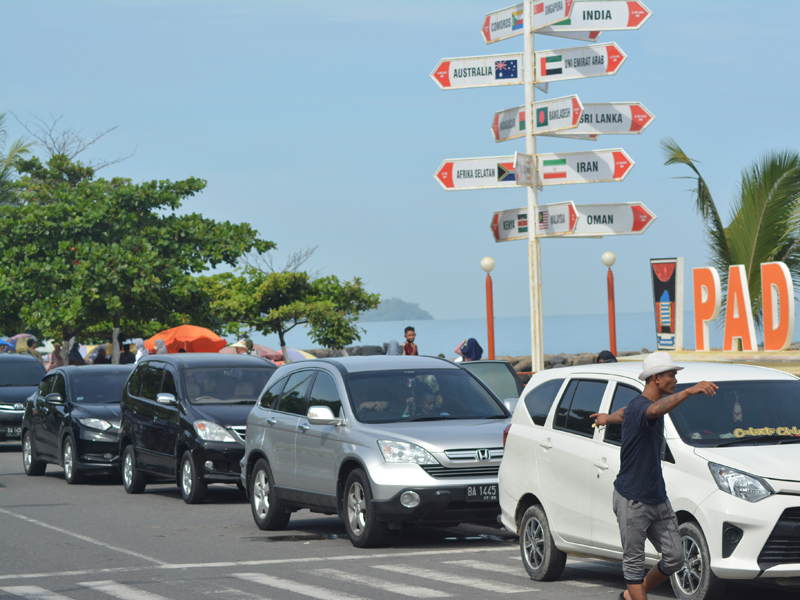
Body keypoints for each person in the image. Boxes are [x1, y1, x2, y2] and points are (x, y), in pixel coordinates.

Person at [591, 352, 717, 600]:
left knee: (675, 558)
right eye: (672, 375)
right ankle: (635, 593)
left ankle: (631, 596)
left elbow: (624, 414)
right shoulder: (645, 408)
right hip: (632, 499)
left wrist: (606, 418)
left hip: (657, 497)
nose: (676, 380)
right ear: (656, 378)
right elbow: (653, 410)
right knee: (634, 564)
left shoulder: (635, 409)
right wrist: (690, 392)